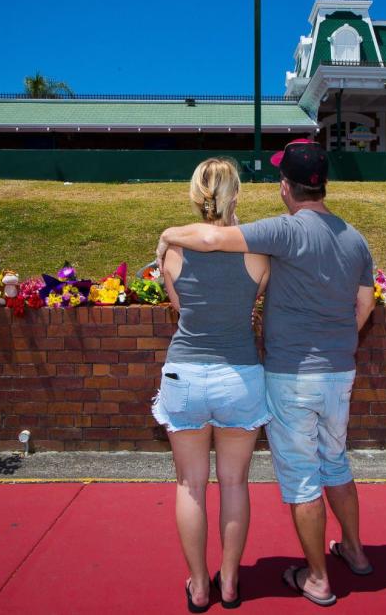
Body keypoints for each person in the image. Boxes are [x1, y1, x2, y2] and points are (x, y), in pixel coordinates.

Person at [158, 139, 376, 608]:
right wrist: (337, 341)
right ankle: (251, 577)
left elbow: (190, 288)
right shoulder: (346, 240)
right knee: (326, 464)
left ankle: (209, 586)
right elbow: (364, 304)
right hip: (316, 372)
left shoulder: (272, 234)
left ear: (286, 186)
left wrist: (169, 235)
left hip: (236, 373)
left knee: (199, 484)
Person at [152, 157, 271, 613]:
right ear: (235, 193)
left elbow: (179, 308)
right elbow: (257, 300)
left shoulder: (172, 250)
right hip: (240, 374)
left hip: (185, 372)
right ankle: (230, 583)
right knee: (236, 483)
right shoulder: (258, 251)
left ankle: (199, 586)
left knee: (190, 486)